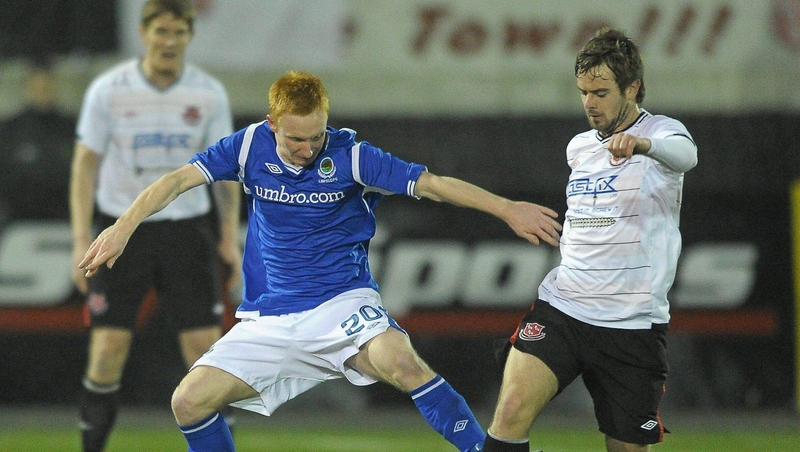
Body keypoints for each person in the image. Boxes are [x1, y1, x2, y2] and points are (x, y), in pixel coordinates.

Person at [78, 70, 562, 452]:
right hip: (269, 316)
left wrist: (506, 208)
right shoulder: (248, 146)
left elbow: (432, 184)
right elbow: (176, 181)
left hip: (341, 304)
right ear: (273, 124)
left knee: (402, 363)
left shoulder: (351, 156)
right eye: (296, 140)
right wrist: (122, 227)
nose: (309, 149)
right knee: (187, 401)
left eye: (316, 136)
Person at [482, 28, 698, 452]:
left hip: (631, 324)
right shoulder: (579, 147)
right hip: (565, 307)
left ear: (632, 87)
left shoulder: (663, 133)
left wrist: (643, 145)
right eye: (583, 91)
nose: (589, 103)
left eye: (600, 92)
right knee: (508, 414)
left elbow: (686, 156)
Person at [69, 1, 241, 451]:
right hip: (120, 233)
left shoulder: (208, 93)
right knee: (107, 351)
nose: (169, 41)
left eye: (179, 32)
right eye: (161, 31)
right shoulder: (109, 89)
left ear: (189, 36)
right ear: (144, 33)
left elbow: (225, 174)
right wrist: (80, 238)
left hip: (186, 231)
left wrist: (228, 238)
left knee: (206, 353)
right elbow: (85, 165)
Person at [0, 56, 74, 220]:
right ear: (26, 88)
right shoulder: (9, 130)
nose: (42, 92)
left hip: (64, 219)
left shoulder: (74, 128)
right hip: (19, 221)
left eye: (46, 87)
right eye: (37, 87)